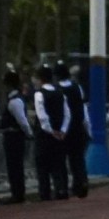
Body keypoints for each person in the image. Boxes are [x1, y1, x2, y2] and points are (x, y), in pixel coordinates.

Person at [32, 65, 70, 201]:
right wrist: (63, 130)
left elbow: (42, 115)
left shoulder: (39, 94)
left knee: (42, 164)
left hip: (44, 135)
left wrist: (49, 130)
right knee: (58, 163)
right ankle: (61, 189)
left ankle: (45, 192)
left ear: (40, 79)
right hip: (60, 134)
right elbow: (67, 113)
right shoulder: (60, 93)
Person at [54, 61, 91, 198]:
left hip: (62, 130)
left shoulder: (56, 89)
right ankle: (81, 182)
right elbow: (83, 110)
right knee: (77, 159)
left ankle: (62, 187)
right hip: (77, 128)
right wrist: (88, 128)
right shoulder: (77, 88)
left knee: (61, 160)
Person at [1, 69, 33, 204]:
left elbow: (22, 121)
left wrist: (29, 133)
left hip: (14, 136)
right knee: (15, 165)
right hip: (15, 136)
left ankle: (18, 193)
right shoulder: (16, 99)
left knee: (14, 165)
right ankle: (18, 192)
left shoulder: (14, 101)